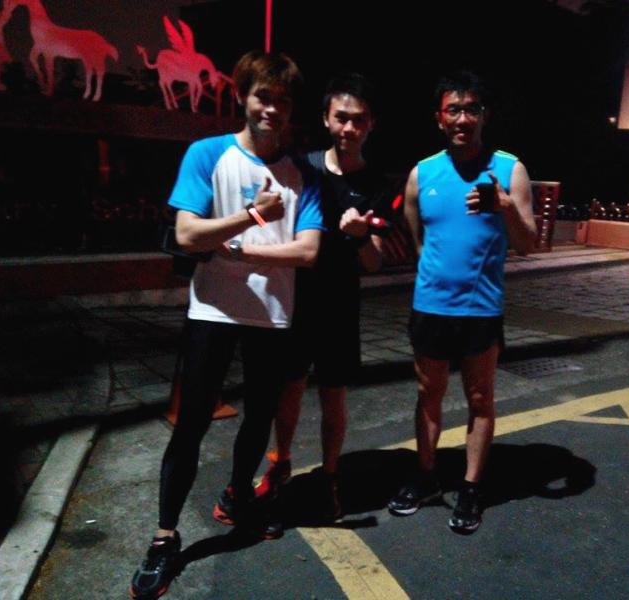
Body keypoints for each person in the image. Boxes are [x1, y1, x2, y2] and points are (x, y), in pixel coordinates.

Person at [130, 50, 324, 599]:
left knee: (258, 417)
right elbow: (188, 234)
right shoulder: (207, 153)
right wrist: (254, 217)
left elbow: (308, 252)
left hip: (271, 316)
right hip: (212, 312)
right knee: (191, 423)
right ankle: (165, 537)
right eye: (263, 96)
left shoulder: (303, 174)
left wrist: (235, 248)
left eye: (282, 101)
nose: (272, 109)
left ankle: (240, 496)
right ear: (243, 96)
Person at [387, 70, 537, 534]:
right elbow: (417, 239)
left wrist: (506, 207)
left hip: (481, 308)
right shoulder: (422, 173)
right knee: (428, 394)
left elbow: (528, 243)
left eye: (472, 109)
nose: (463, 118)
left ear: (484, 116)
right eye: (453, 109)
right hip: (431, 307)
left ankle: (471, 487)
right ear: (439, 118)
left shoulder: (509, 169)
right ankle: (426, 475)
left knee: (480, 397)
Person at [253, 73, 396, 521]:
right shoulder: (303, 167)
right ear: (326, 119)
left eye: (359, 120)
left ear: (371, 124)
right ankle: (281, 463)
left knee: (333, 395)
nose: (349, 128)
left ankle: (330, 476)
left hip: (340, 304)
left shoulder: (377, 183)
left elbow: (374, 262)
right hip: (294, 298)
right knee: (288, 389)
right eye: (341, 118)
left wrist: (359, 237)